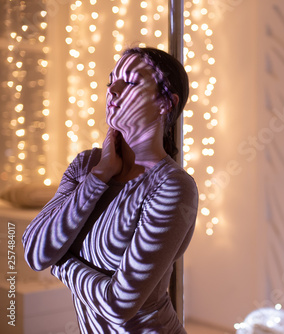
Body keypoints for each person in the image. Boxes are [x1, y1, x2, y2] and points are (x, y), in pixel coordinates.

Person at [22, 47, 198, 334]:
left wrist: (60, 262)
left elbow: (119, 304)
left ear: (166, 101)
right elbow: (34, 253)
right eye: (110, 81)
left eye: (128, 82)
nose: (112, 91)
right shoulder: (86, 165)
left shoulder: (173, 185)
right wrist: (99, 176)